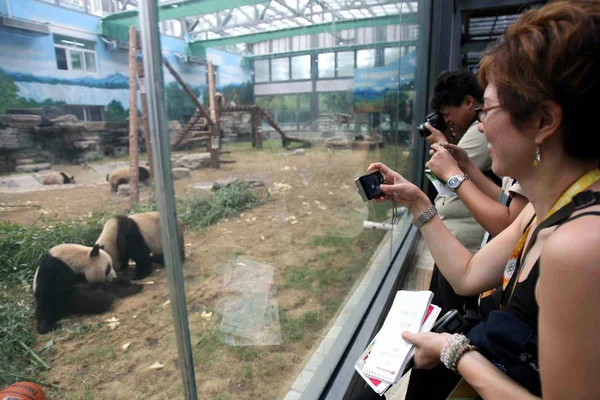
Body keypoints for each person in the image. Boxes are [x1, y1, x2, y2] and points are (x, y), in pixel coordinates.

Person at [364, 1, 600, 398]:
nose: (481, 124)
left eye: (488, 110)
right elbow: (469, 274)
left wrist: (456, 353)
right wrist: (418, 203)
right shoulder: (548, 213)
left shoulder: (579, 248)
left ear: (544, 121)